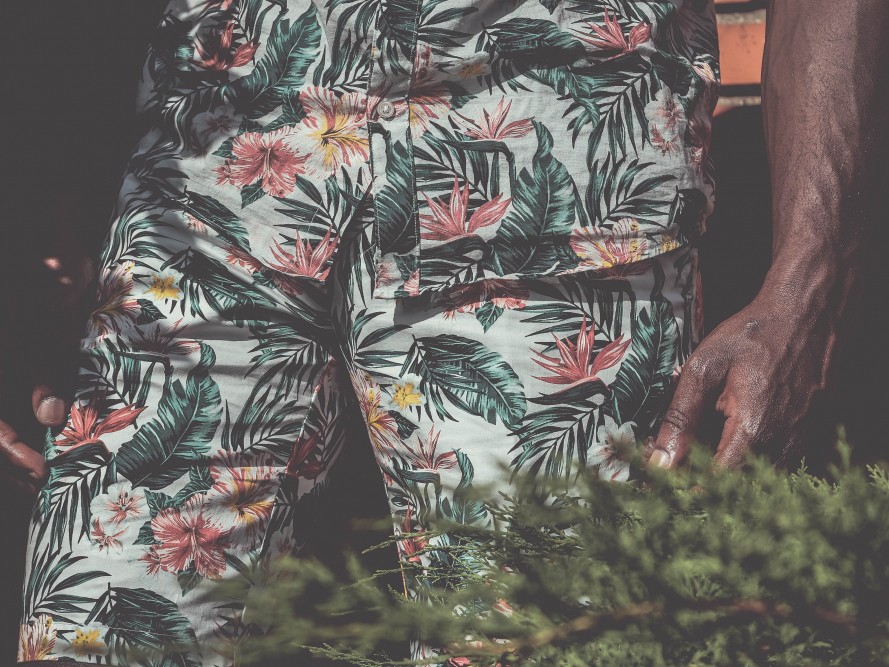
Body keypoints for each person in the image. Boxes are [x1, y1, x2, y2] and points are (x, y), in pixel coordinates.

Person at [4, 1, 886, 664]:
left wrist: (811, 270)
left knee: (551, 640)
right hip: (212, 157)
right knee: (102, 630)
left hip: (545, 143)